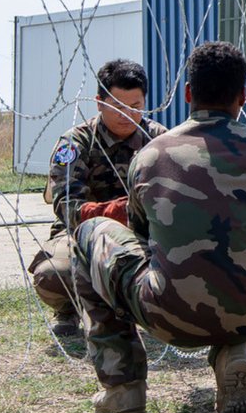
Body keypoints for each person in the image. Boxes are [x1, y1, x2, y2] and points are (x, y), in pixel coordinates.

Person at [73, 41, 246, 413]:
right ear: (242, 97)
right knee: (240, 271)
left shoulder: (149, 156)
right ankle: (236, 350)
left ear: (188, 93)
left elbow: (142, 241)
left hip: (168, 317)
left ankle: (123, 388)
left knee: (89, 232)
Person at [30, 59, 167, 337]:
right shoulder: (76, 143)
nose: (127, 115)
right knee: (52, 275)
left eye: (136, 106)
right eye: (118, 107)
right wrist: (120, 212)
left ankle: (143, 307)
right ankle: (69, 307)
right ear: (99, 103)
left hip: (145, 233)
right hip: (82, 234)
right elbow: (68, 207)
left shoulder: (159, 140)